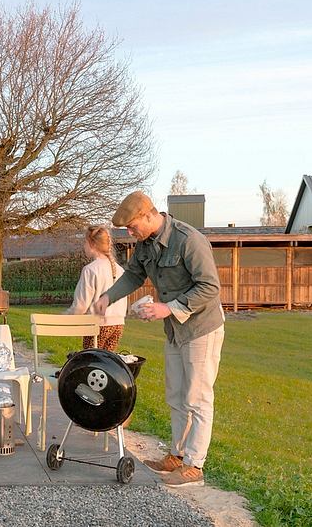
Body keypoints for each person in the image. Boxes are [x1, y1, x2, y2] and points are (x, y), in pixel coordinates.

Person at [95, 191, 224, 488]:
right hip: (175, 330)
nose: (130, 233)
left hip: (201, 328)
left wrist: (168, 308)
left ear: (148, 215)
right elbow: (133, 276)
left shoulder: (188, 240)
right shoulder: (145, 245)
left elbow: (210, 287)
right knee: (176, 395)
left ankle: (194, 465)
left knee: (198, 398)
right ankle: (177, 456)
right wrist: (108, 297)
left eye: (132, 226)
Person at [66, 226, 126, 351]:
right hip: (118, 324)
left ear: (92, 244)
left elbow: (80, 306)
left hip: (97, 325)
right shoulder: (120, 270)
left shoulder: (90, 270)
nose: (84, 246)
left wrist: (65, 317)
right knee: (106, 360)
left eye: (85, 242)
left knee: (91, 359)